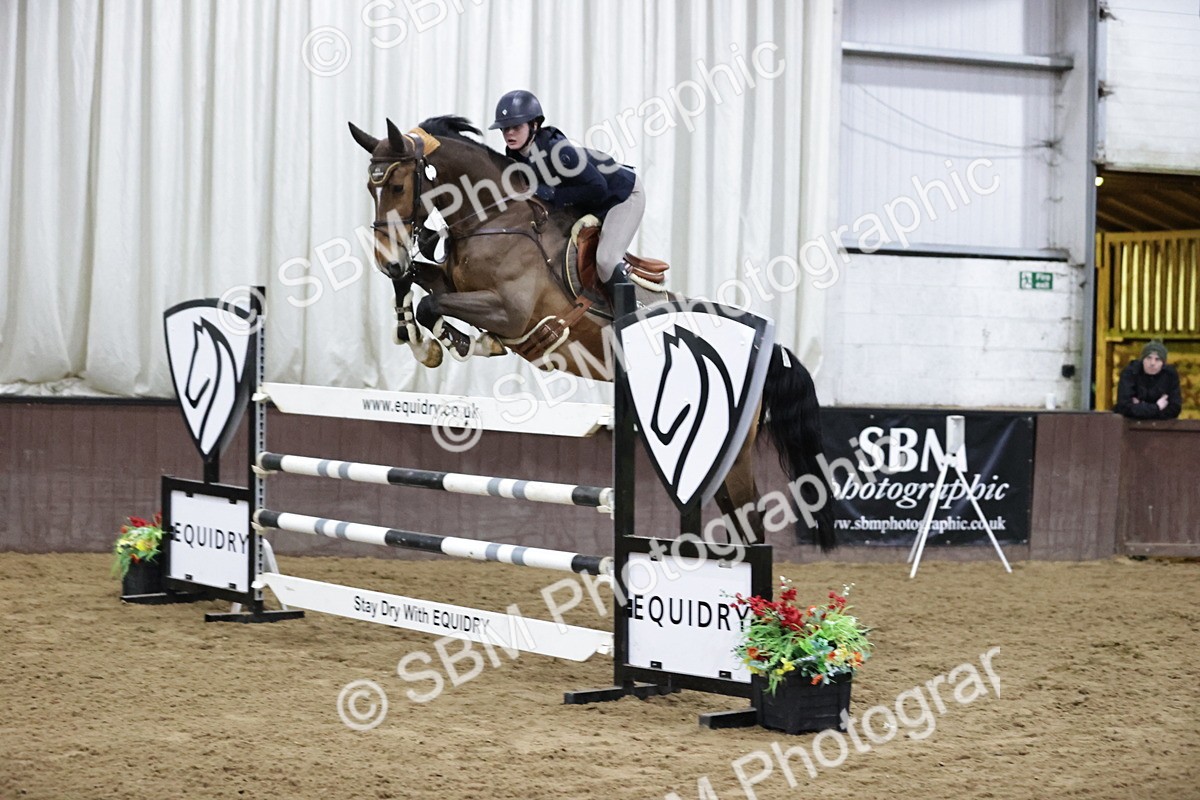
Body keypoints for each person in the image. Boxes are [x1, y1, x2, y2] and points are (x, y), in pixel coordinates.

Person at [489, 89, 644, 301]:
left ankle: (629, 314)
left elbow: (598, 187)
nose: (509, 134)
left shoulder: (558, 150)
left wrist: (552, 194)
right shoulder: (514, 155)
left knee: (606, 260)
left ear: (534, 125)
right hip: (590, 201)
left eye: (516, 127)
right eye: (505, 128)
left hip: (622, 195)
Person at [1114, 340, 1182, 420]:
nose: (1152, 363)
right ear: (1142, 360)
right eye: (1148, 358)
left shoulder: (1170, 375)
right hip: (1129, 425)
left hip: (1161, 426)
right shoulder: (1131, 372)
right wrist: (1157, 407)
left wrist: (1140, 407)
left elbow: (1174, 409)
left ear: (1163, 363)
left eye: (1157, 359)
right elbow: (1124, 407)